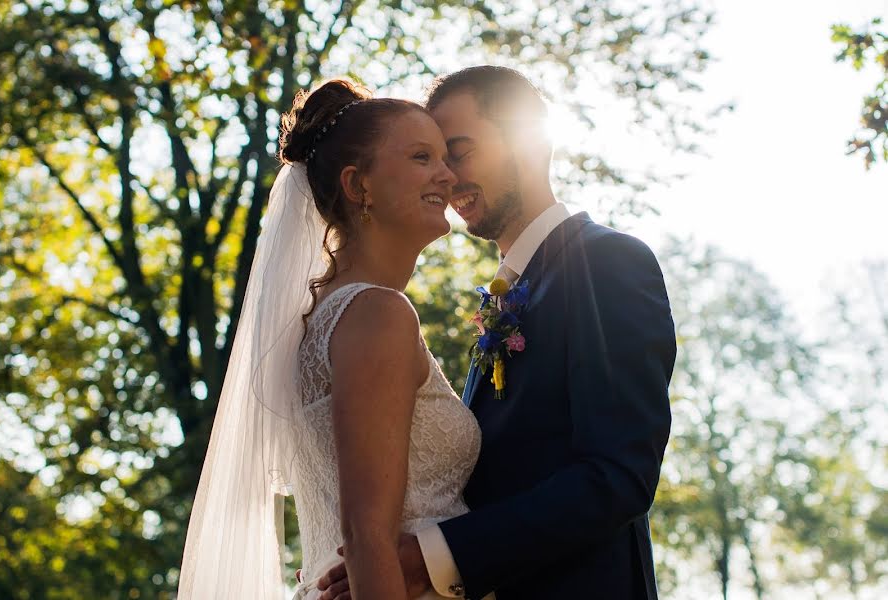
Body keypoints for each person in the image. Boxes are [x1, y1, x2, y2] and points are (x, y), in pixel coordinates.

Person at [316, 66, 677, 600]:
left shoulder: (606, 262)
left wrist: (433, 557)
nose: (445, 177)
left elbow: (618, 475)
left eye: (457, 152)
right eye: (430, 158)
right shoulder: (501, 296)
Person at [177, 79, 493, 600]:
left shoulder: (327, 318)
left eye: (445, 156)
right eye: (421, 156)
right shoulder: (376, 314)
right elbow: (368, 538)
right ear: (357, 185)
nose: (447, 173)